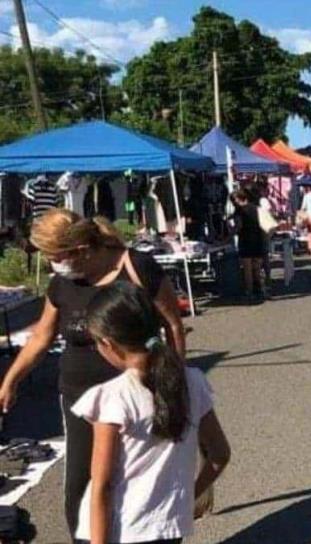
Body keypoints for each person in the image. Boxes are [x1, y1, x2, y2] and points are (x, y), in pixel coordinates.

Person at [0, 209, 185, 540]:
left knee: (136, 480)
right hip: (80, 399)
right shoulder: (63, 283)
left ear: (80, 250)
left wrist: (175, 383)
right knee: (82, 486)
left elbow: (172, 325)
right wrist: (10, 380)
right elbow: (43, 335)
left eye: (54, 256)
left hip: (137, 397)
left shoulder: (136, 267)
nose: (51, 263)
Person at [75, 282, 230, 544]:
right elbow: (220, 454)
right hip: (168, 525)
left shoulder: (112, 397)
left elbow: (102, 485)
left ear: (107, 344)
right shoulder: (193, 381)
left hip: (119, 528)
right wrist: (187, 498)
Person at [230, 190, 265, 302]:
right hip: (257, 238)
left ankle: (249, 292)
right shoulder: (256, 208)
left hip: (245, 239)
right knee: (257, 267)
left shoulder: (239, 211)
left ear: (237, 199)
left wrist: (231, 232)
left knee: (247, 268)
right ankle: (259, 289)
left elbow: (239, 227)